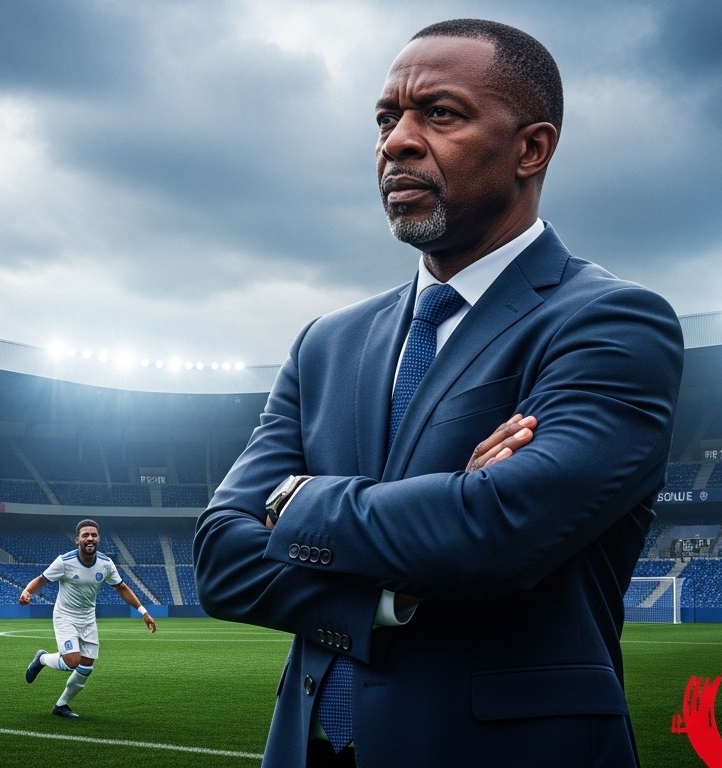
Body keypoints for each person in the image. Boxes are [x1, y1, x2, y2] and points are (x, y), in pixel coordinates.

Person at [193, 18, 683, 768]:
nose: (396, 141)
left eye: (440, 114)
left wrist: (297, 502)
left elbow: (497, 532)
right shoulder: (325, 342)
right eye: (387, 118)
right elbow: (221, 557)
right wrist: (396, 584)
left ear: (532, 148)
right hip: (308, 750)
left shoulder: (611, 321)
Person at [20, 519, 157, 718]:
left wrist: (144, 612)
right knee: (73, 661)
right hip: (65, 616)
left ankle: (61, 705)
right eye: (85, 535)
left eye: (93, 535)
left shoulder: (106, 564)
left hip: (88, 618)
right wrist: (27, 592)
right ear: (77, 539)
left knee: (86, 665)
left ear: (98, 538)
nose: (90, 538)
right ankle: (41, 659)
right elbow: (41, 579)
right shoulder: (65, 562)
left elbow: (121, 587)